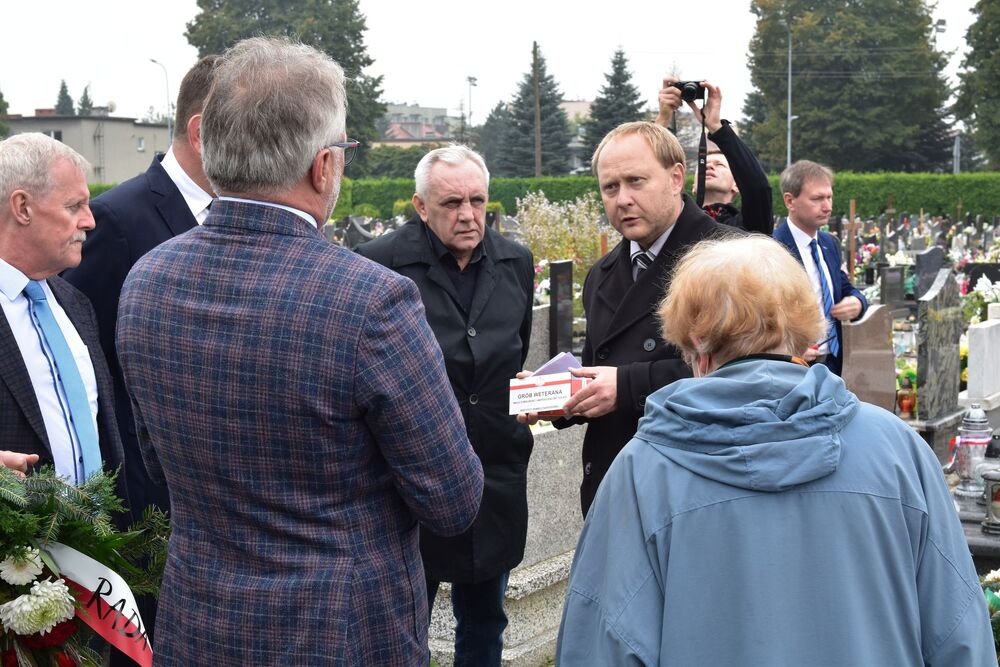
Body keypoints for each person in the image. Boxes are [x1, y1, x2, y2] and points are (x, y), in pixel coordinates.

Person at [115, 37, 484, 666]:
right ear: (323, 166)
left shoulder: (147, 279)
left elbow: (155, 459)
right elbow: (452, 499)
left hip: (201, 630)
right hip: (341, 637)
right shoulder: (371, 300)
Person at [556, 235, 996, 666]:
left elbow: (603, 642)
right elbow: (958, 630)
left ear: (697, 351)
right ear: (805, 338)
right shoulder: (898, 450)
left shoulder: (641, 471)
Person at [62, 55, 218, 652]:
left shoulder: (232, 217)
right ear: (203, 132)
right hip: (146, 509)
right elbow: (90, 368)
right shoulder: (119, 220)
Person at [357, 145, 534, 666]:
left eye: (477, 201)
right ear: (420, 206)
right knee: (405, 624)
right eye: (452, 202)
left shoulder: (515, 261)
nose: (468, 215)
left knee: (485, 621)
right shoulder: (380, 264)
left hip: (495, 471)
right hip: (412, 481)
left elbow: (513, 353)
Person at [523, 122, 733, 517]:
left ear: (675, 178)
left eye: (636, 181)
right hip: (614, 487)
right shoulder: (603, 272)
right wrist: (555, 395)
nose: (622, 199)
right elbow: (600, 369)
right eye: (610, 187)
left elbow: (745, 375)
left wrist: (626, 385)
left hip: (695, 490)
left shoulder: (729, 258)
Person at [0, 133, 127, 496]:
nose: (89, 221)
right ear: (22, 207)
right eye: (74, 206)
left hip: (96, 542)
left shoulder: (74, 303)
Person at [773, 160, 868, 376]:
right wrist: (786, 349)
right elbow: (765, 313)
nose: (828, 207)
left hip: (834, 362)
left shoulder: (828, 243)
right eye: (817, 199)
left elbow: (845, 289)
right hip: (795, 367)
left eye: (829, 197)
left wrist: (857, 302)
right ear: (790, 201)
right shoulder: (774, 248)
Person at [656, 77, 773, 234]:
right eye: (703, 165)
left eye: (720, 165)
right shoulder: (674, 220)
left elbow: (757, 188)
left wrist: (717, 128)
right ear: (693, 186)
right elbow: (643, 177)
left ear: (736, 185)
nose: (710, 165)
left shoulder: (748, 225)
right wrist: (663, 119)